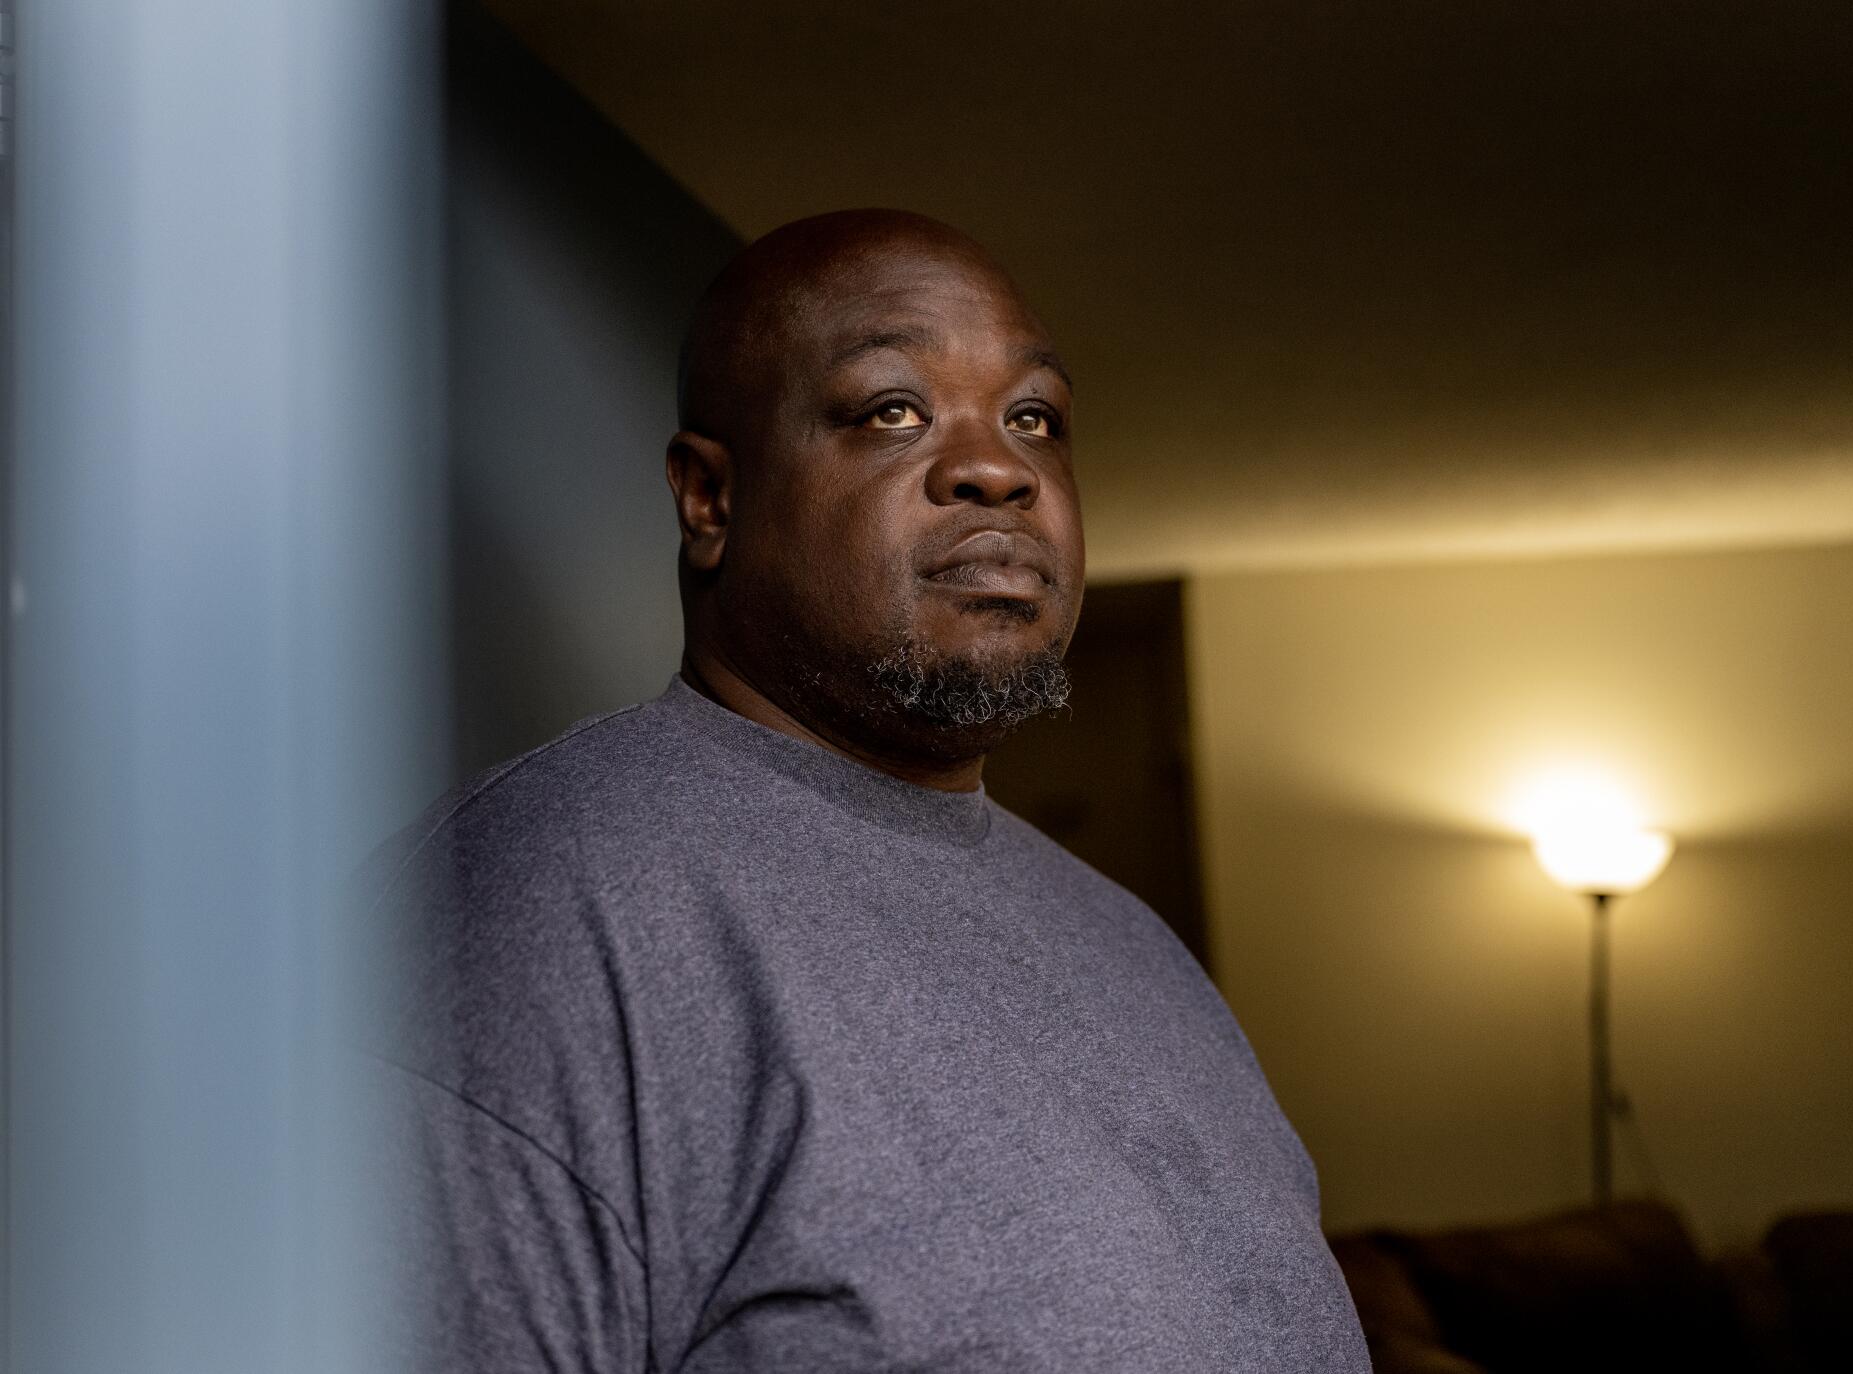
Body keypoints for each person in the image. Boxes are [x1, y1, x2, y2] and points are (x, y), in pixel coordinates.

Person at [370, 209, 1370, 1372]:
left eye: (1034, 417)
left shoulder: (1138, 948)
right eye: (892, 410)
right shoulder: (527, 907)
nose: (998, 468)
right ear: (707, 499)